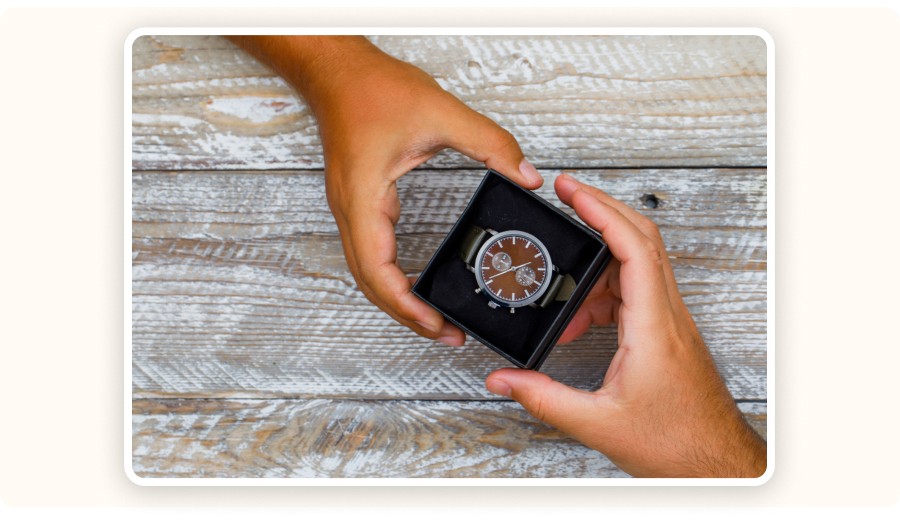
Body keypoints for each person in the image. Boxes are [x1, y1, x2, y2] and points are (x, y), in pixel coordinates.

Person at [226, 35, 767, 478]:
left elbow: (521, 278)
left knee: (513, 288)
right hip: (517, 274)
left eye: (507, 271)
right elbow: (501, 266)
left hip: (535, 285)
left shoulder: (533, 285)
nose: (503, 273)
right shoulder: (493, 262)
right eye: (498, 268)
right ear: (484, 264)